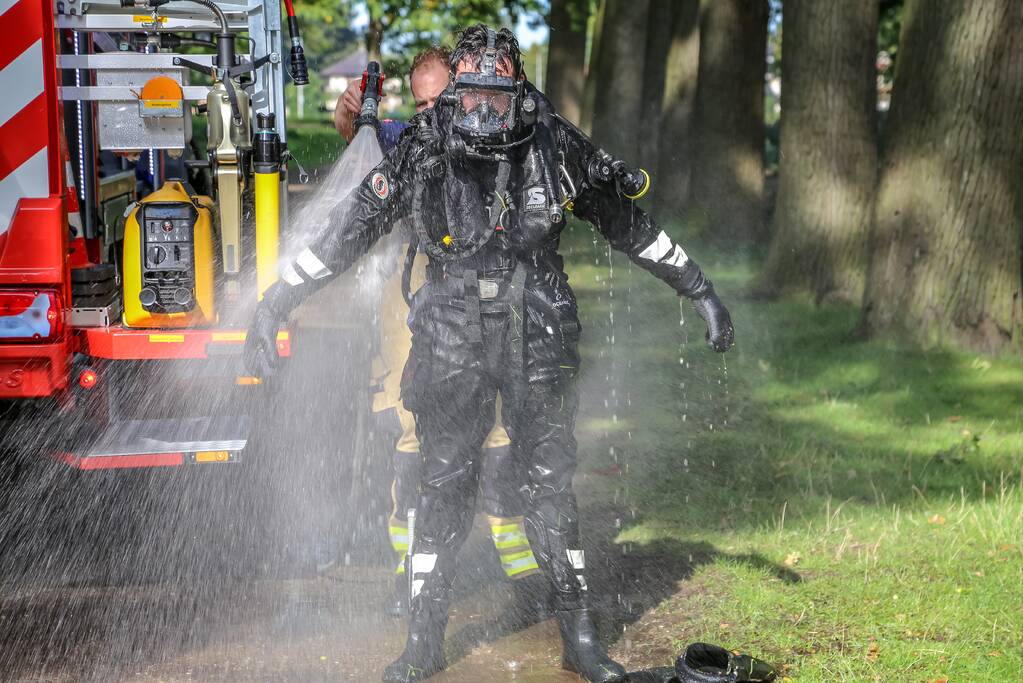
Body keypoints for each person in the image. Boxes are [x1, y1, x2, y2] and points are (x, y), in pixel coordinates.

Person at [246, 25, 734, 683]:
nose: (483, 112)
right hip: (450, 324)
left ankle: (579, 637)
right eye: (472, 96)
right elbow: (351, 227)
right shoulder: (424, 143)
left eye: (497, 98)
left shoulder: (552, 142)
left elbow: (625, 221)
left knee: (550, 483)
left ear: (517, 91)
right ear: (456, 91)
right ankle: (423, 641)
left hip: (538, 319)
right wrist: (278, 299)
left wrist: (698, 288)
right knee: (441, 483)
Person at [336, 47, 546, 619]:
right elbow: (360, 137)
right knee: (410, 425)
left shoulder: (493, 132)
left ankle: (519, 563)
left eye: (440, 100)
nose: (431, 113)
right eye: (421, 103)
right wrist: (349, 112)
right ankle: (410, 570)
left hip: (482, 290)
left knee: (496, 424)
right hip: (414, 287)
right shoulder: (407, 138)